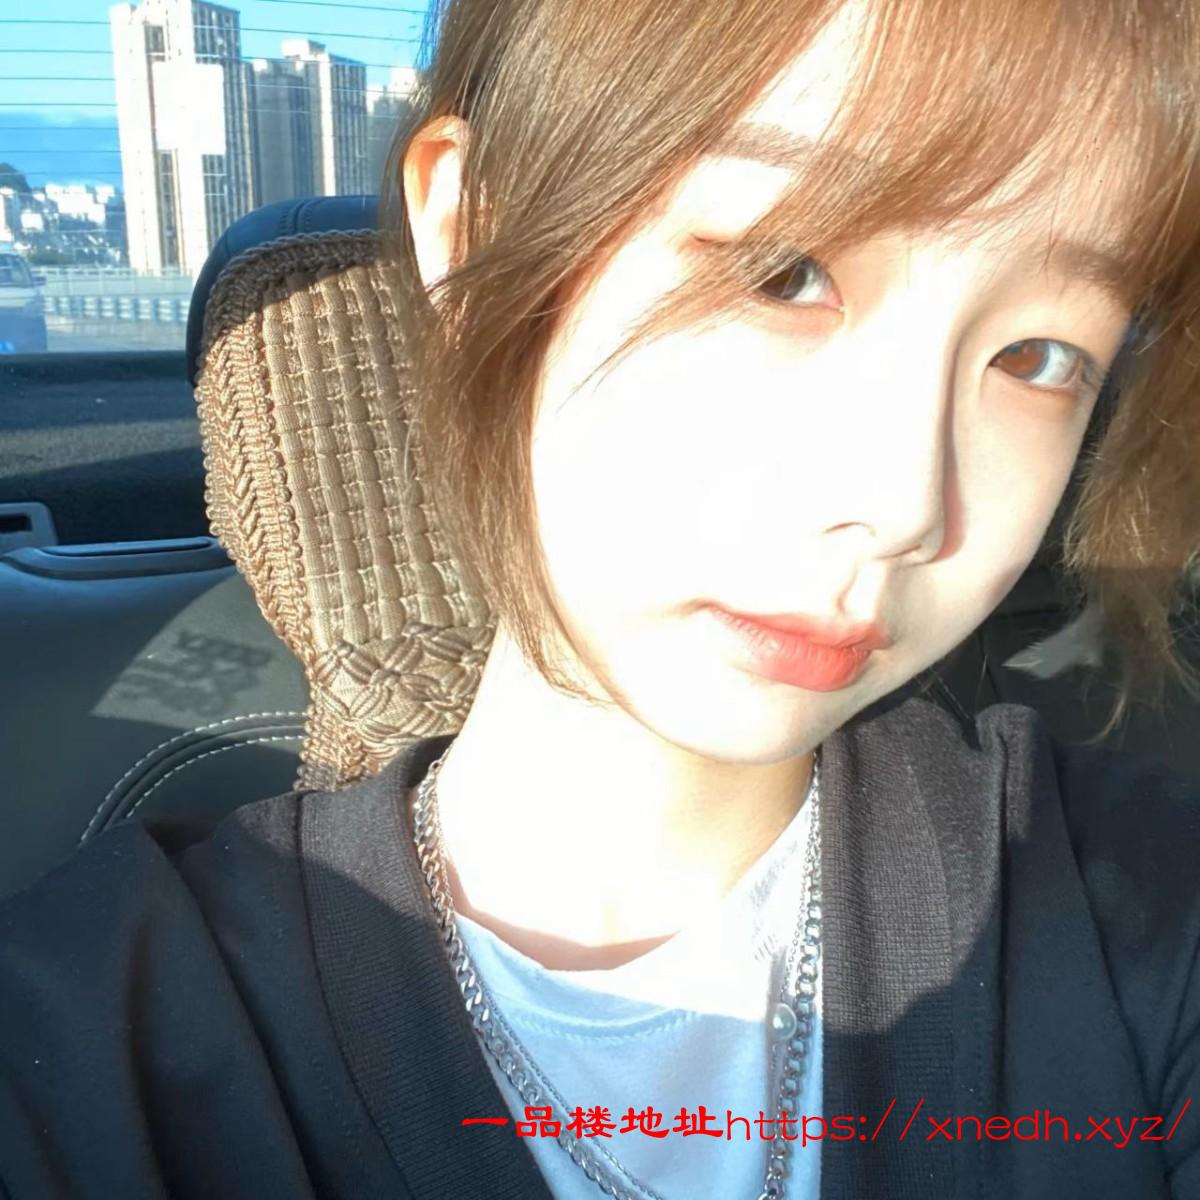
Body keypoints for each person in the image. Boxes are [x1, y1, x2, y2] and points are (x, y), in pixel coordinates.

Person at [2, 0, 1200, 1197]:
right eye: (785, 273)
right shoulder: (96, 1037)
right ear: (468, 224)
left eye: (1039, 357)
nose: (905, 506)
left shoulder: (1132, 904)